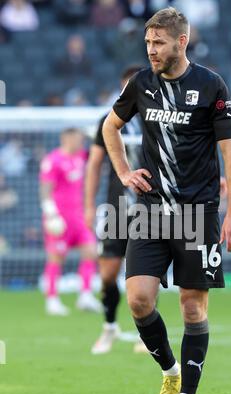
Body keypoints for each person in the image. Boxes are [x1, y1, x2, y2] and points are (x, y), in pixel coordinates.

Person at [103, 7, 231, 394]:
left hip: (198, 213)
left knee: (191, 308)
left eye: (158, 43)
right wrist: (125, 173)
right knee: (139, 300)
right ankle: (170, 372)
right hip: (150, 211)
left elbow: (230, 152)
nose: (151, 50)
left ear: (181, 42)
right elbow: (110, 127)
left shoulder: (210, 85)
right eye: (147, 43)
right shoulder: (140, 85)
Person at [85, 65, 148, 354]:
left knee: (146, 273)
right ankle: (109, 326)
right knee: (108, 274)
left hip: (150, 206)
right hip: (116, 209)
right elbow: (94, 165)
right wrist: (88, 205)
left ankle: (145, 336)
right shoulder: (107, 120)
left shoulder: (155, 118)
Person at [40, 128, 101, 316]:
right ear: (65, 139)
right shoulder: (53, 160)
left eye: (81, 139)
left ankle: (85, 295)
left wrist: (93, 134)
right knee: (56, 257)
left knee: (91, 251)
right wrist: (51, 214)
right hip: (59, 217)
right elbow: (44, 190)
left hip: (79, 216)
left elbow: (100, 150)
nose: (80, 142)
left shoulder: (82, 156)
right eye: (77, 139)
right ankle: (52, 299)